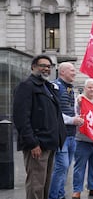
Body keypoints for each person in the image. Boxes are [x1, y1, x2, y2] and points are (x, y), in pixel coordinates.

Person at [13, 55, 66, 199]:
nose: (46, 69)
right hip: (37, 144)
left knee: (45, 184)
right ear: (33, 67)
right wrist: (32, 143)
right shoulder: (26, 86)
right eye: (42, 65)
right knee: (36, 185)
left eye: (49, 66)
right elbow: (21, 118)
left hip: (50, 143)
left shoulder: (48, 87)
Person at [49, 62, 84, 199]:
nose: (74, 73)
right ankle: (54, 196)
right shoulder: (55, 87)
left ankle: (60, 194)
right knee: (61, 167)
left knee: (65, 167)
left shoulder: (70, 88)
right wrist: (72, 120)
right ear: (62, 72)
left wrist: (79, 110)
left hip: (71, 135)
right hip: (61, 136)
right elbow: (54, 113)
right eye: (72, 70)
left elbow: (71, 109)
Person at [71, 79, 93, 199]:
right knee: (80, 167)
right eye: (90, 87)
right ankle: (77, 190)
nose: (92, 90)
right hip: (82, 140)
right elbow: (75, 113)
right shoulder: (79, 101)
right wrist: (80, 103)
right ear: (85, 88)